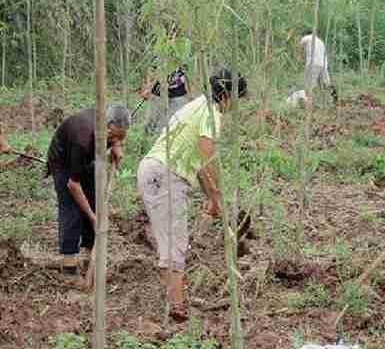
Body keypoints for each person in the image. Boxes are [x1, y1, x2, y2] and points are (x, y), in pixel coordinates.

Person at [137, 68, 248, 322]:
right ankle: (176, 310)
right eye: (237, 98)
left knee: (172, 240)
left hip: (152, 170)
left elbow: (197, 161)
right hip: (165, 175)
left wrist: (212, 198)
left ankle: (174, 301)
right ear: (227, 96)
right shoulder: (212, 113)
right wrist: (217, 192)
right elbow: (207, 156)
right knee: (174, 243)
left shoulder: (196, 105)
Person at [46, 105, 130, 281]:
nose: (114, 138)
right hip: (62, 161)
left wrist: (116, 144)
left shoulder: (111, 117)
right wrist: (93, 217)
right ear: (104, 126)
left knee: (93, 198)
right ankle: (69, 264)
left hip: (86, 158)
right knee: (71, 208)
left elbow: (116, 134)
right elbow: (73, 185)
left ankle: (87, 256)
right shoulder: (82, 140)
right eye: (112, 136)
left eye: (120, 135)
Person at [141, 28, 193, 135]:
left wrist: (190, 95)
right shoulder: (160, 50)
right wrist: (147, 88)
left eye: (173, 34)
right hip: (158, 91)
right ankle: (145, 142)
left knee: (172, 124)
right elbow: (151, 70)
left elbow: (188, 74)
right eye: (169, 35)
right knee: (150, 122)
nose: (171, 38)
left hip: (178, 92)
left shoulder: (183, 52)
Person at [298, 29, 337, 105]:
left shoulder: (307, 37)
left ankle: (309, 104)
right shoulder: (320, 41)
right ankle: (333, 98)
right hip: (323, 64)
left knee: (309, 85)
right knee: (325, 84)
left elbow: (300, 45)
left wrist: (300, 57)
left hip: (313, 64)